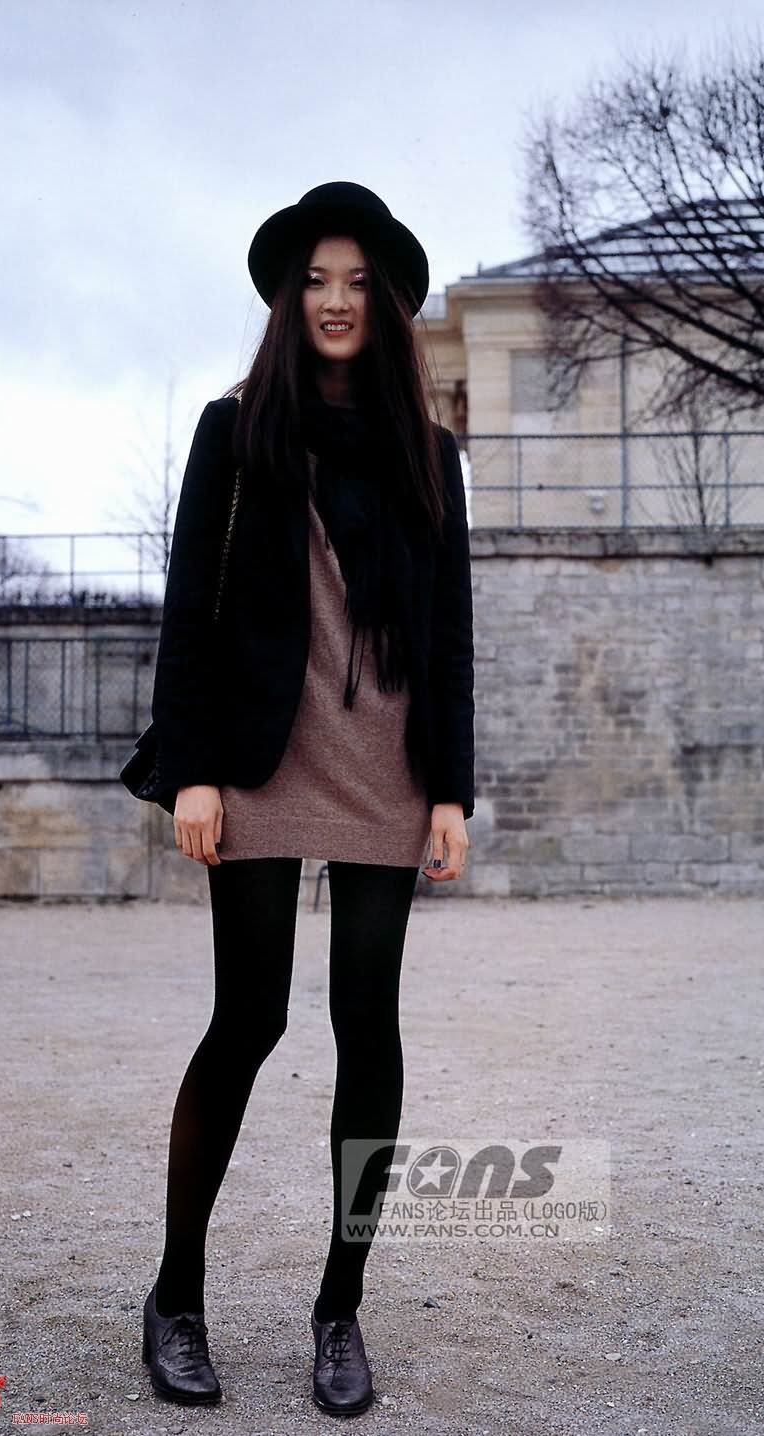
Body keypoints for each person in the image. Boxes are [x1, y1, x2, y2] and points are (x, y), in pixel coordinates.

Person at [141, 181, 475, 1417]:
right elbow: (189, 607)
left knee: (367, 1026)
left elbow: (450, 631)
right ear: (290, 299)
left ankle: (339, 1309)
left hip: (388, 764)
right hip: (260, 759)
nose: (335, 301)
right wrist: (189, 766)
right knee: (247, 1019)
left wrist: (451, 790)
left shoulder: (427, 451)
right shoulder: (235, 431)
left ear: (385, 305)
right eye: (316, 281)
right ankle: (175, 1294)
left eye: (357, 283)